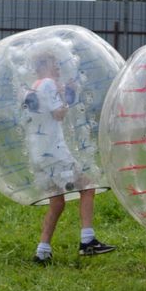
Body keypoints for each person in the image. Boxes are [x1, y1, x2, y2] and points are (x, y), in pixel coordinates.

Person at [23, 54, 115, 265]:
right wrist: (65, 95)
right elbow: (59, 114)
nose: (58, 68)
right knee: (88, 187)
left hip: (39, 155)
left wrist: (62, 92)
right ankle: (87, 241)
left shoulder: (30, 88)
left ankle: (42, 251)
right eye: (54, 64)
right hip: (54, 153)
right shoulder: (47, 84)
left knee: (57, 202)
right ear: (43, 65)